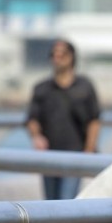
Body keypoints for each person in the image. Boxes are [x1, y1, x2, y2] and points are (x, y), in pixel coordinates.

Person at [26, 39, 101, 199]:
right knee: (50, 204)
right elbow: (32, 119)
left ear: (72, 57)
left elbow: (94, 120)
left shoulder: (84, 86)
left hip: (75, 156)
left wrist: (89, 149)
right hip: (48, 157)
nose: (57, 58)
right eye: (53, 54)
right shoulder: (42, 88)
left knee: (66, 200)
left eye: (62, 54)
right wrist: (36, 137)